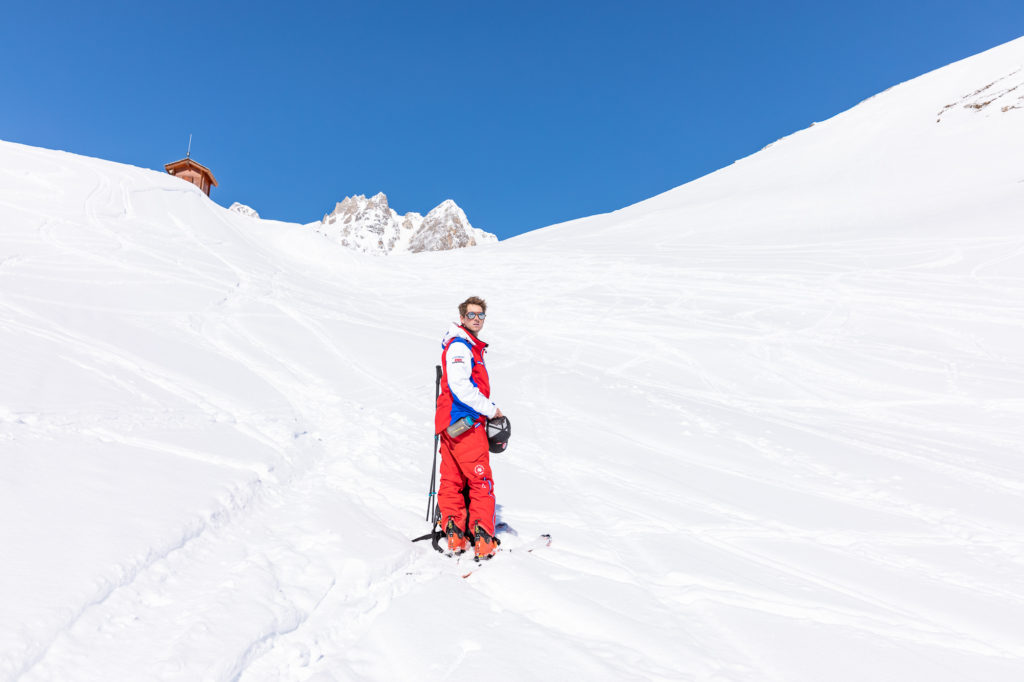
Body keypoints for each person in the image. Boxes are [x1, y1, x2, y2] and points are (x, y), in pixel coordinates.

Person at [434, 296, 504, 559]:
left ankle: (454, 533)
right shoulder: (460, 347)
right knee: (480, 480)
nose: (476, 319)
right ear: (462, 318)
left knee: (452, 480)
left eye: (481, 315)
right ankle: (483, 538)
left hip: (450, 424)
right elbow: (461, 387)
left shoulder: (467, 345)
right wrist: (491, 409)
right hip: (465, 424)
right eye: (472, 315)